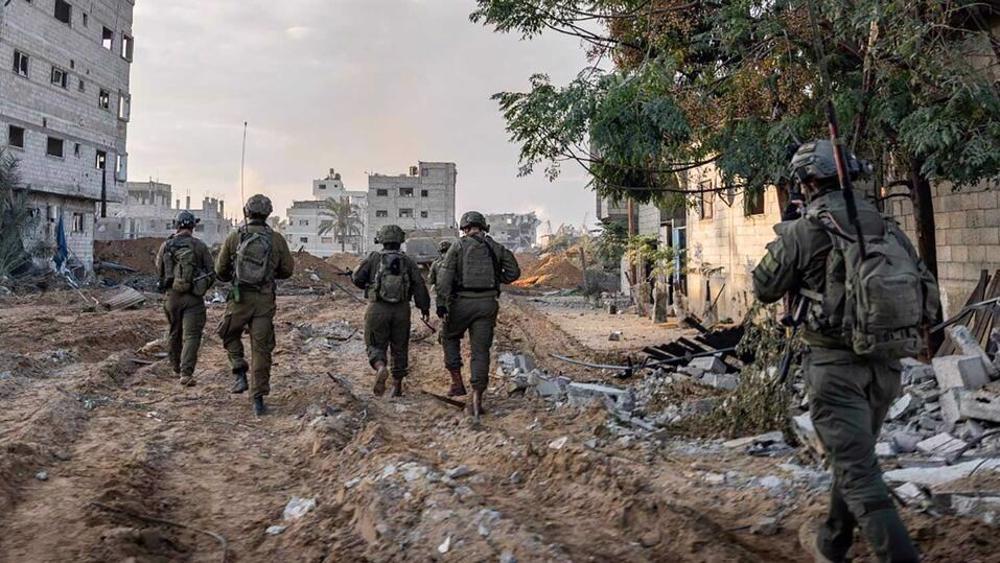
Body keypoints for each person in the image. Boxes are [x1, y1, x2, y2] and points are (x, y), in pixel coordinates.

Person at [752, 140, 939, 563]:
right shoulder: (885, 227)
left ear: (810, 182)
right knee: (855, 459)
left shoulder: (806, 231)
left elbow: (764, 287)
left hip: (835, 370)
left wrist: (788, 232)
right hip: (886, 368)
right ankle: (833, 542)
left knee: (859, 473)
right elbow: (926, 289)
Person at [215, 194, 295, 416]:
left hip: (239, 299)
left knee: (228, 333)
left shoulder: (234, 237)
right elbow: (287, 270)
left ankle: (239, 369)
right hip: (264, 301)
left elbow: (220, 272)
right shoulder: (276, 239)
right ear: (268, 213)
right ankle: (258, 400)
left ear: (246, 212)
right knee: (261, 349)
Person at [436, 211, 521, 414]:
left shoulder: (457, 246)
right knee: (481, 351)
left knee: (449, 337)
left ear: (464, 228)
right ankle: (477, 397)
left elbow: (444, 278)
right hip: (487, 305)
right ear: (484, 227)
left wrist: (441, 304)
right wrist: (494, 277)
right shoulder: (495, 247)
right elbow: (513, 273)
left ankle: (457, 383)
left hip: (461, 304)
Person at [352, 225, 430, 397]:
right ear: (400, 240)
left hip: (377, 308)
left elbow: (357, 278)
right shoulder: (408, 261)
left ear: (381, 239)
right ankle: (396, 386)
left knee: (374, 343)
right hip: (402, 310)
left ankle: (380, 367)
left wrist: (369, 285)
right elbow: (419, 285)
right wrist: (424, 307)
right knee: (400, 347)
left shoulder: (373, 258)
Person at [155, 210, 215, 387]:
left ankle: (175, 367)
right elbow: (212, 272)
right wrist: (201, 286)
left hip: (171, 297)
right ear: (193, 227)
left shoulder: (165, 246)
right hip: (193, 298)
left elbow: (159, 269)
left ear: (176, 225)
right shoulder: (200, 246)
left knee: (174, 332)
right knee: (192, 336)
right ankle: (186, 373)